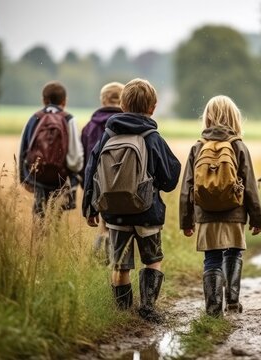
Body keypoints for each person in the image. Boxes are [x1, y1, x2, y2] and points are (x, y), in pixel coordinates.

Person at [82, 78, 181, 323]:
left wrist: (90, 207)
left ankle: (123, 314)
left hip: (114, 213)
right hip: (148, 212)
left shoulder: (107, 135)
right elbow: (169, 178)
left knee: (120, 265)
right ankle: (147, 308)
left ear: (123, 106)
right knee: (153, 260)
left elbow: (91, 169)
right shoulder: (152, 137)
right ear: (153, 107)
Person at [179, 95, 261, 317]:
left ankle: (213, 309)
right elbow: (250, 187)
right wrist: (257, 218)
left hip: (206, 214)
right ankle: (233, 302)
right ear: (235, 118)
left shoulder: (197, 147)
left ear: (206, 118)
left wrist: (186, 221)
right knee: (234, 253)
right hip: (234, 213)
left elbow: (187, 188)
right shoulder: (238, 146)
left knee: (212, 258)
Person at [19, 80, 84, 218]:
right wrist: (75, 176)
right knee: (55, 218)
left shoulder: (35, 117)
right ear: (64, 101)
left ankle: (38, 239)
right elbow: (75, 154)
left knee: (39, 217)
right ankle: (54, 239)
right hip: (61, 178)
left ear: (43, 100)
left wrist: (24, 177)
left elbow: (23, 148)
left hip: (38, 176)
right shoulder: (68, 119)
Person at [80, 82, 124, 260]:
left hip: (97, 182)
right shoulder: (126, 124)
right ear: (123, 101)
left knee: (103, 224)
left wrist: (86, 185)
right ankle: (116, 259)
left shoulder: (89, 127)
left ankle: (100, 259)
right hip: (122, 180)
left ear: (103, 100)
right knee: (114, 223)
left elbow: (83, 159)